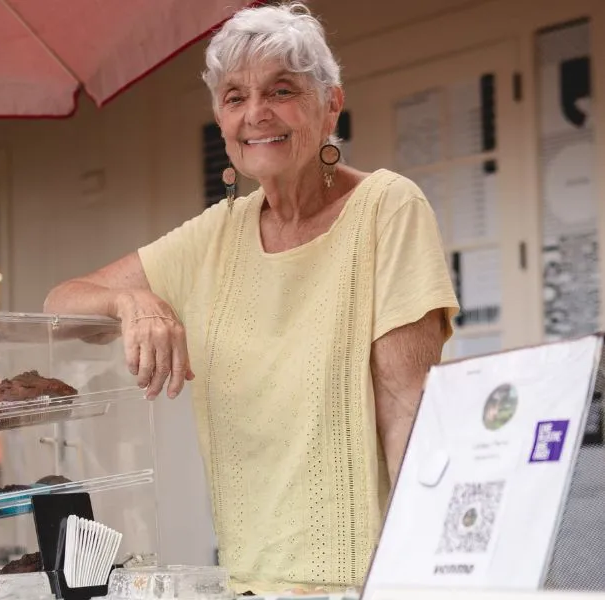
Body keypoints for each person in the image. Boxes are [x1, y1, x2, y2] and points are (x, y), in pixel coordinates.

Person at [44, 1, 459, 593]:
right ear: (220, 118)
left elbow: (408, 415)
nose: (257, 114)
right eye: (235, 97)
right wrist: (130, 303)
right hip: (246, 581)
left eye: (282, 90)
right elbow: (57, 307)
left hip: (366, 582)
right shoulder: (215, 235)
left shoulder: (387, 210)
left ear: (331, 103)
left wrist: (416, 580)